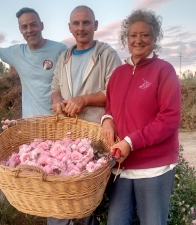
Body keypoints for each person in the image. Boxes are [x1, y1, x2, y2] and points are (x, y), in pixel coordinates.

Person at [101, 9, 181, 225]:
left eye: (145, 35)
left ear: (154, 38)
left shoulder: (164, 71)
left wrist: (130, 142)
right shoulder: (118, 73)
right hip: (122, 167)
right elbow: (110, 105)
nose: (138, 40)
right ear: (126, 39)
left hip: (153, 167)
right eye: (133, 35)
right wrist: (107, 118)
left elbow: (170, 118)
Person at [49, 5, 122, 225]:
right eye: (76, 23)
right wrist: (56, 101)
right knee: (62, 194)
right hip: (67, 137)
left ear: (95, 25)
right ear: (70, 27)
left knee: (86, 199)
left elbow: (115, 91)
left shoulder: (106, 55)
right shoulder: (64, 57)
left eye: (86, 22)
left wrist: (84, 99)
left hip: (94, 135)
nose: (81, 28)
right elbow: (55, 87)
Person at [0, 8, 67, 118]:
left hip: (58, 119)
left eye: (33, 24)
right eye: (24, 27)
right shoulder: (17, 52)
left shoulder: (60, 49)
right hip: (31, 122)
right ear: (20, 29)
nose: (29, 30)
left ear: (41, 26)